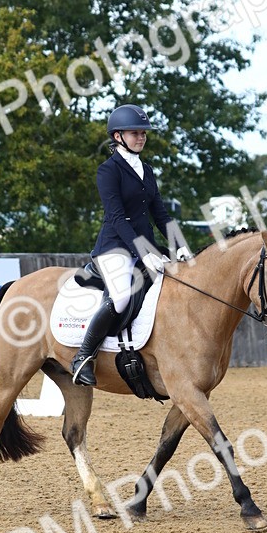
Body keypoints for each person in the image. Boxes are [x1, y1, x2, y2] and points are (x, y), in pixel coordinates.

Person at [70, 104, 191, 385]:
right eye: (135, 133)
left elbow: (160, 213)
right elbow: (117, 217)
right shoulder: (108, 171)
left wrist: (180, 244)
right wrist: (142, 252)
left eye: (143, 133)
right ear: (118, 136)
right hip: (114, 248)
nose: (141, 137)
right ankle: (83, 357)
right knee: (121, 297)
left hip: (146, 247)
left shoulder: (146, 170)